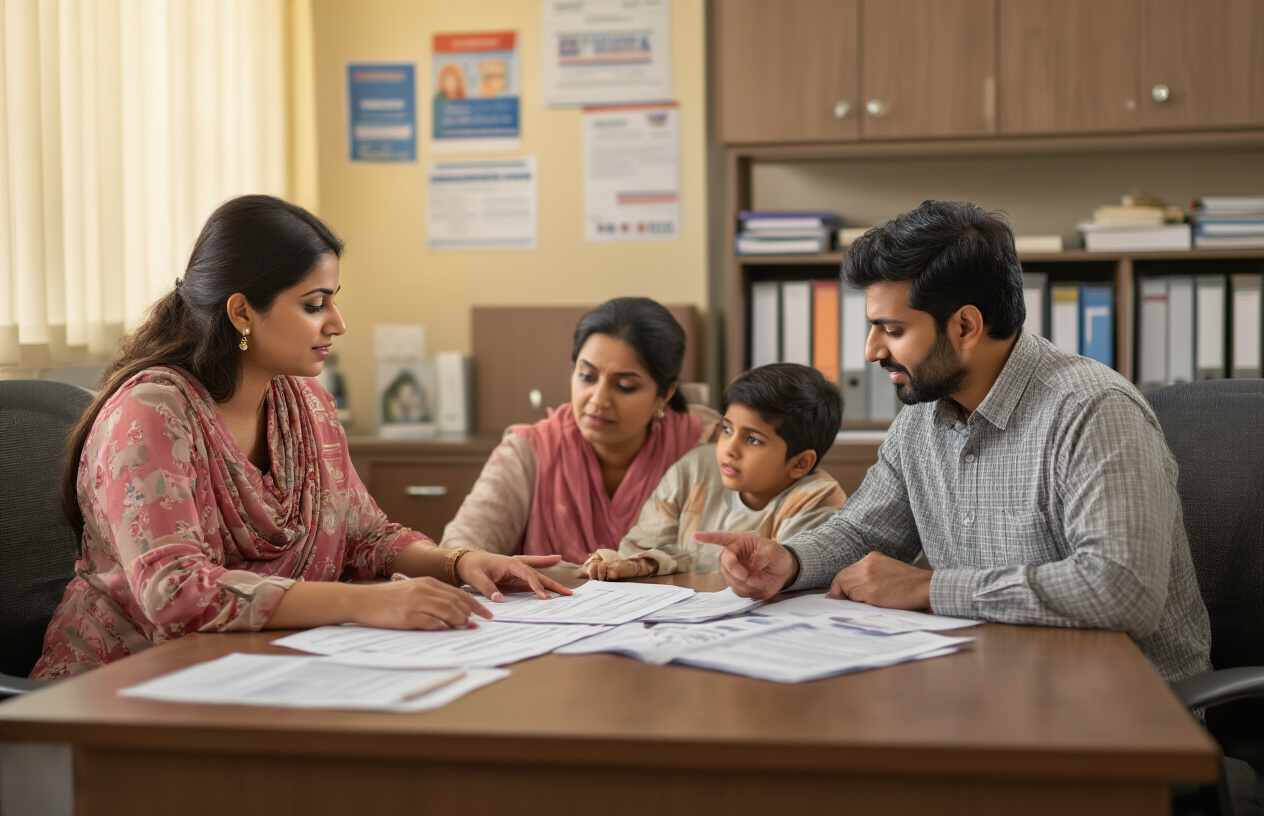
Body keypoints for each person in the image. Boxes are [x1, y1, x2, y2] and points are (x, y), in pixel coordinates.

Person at [33, 195, 568, 680]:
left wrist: (460, 563)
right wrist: (366, 604)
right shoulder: (151, 412)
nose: (337, 323)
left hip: (262, 669)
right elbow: (176, 593)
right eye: (314, 304)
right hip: (121, 689)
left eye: (333, 300)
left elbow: (365, 536)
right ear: (242, 311)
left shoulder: (306, 405)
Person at [701, 200, 1212, 683]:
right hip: (992, 681)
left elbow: (1121, 590)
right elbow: (863, 533)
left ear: (966, 325)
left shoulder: (1092, 411)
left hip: (1124, 708)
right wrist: (789, 562)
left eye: (892, 330)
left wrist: (928, 587)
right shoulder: (923, 414)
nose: (872, 350)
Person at [440, 297, 721, 563]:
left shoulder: (705, 445)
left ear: (665, 394)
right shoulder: (528, 451)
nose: (598, 400)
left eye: (624, 386)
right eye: (587, 377)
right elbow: (460, 548)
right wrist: (466, 561)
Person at [583, 363, 847, 580]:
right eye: (727, 429)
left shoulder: (818, 499)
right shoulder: (696, 467)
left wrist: (656, 562)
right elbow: (639, 549)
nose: (729, 449)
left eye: (753, 440)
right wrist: (633, 563)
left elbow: (775, 578)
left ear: (800, 463)